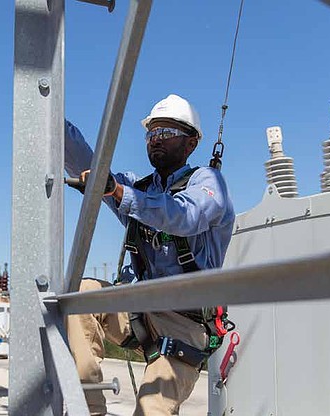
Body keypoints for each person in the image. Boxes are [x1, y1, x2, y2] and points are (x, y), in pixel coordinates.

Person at [64, 94, 235, 415]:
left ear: (191, 143)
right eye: (152, 134)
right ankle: (88, 406)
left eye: (167, 133)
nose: (156, 140)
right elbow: (88, 164)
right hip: (139, 312)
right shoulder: (139, 187)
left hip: (184, 325)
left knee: (151, 409)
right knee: (81, 294)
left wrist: (118, 192)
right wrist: (49, 116)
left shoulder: (209, 183)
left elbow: (184, 216)